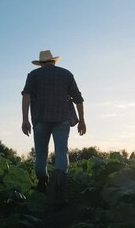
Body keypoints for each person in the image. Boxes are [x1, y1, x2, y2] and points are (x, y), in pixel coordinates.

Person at [21, 50, 86, 204]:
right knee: (62, 151)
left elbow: (26, 96)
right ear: (54, 61)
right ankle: (59, 188)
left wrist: (25, 120)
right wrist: (82, 120)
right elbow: (78, 98)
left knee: (41, 153)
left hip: (40, 120)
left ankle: (43, 182)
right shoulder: (66, 74)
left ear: (41, 63)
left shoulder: (33, 75)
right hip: (62, 119)